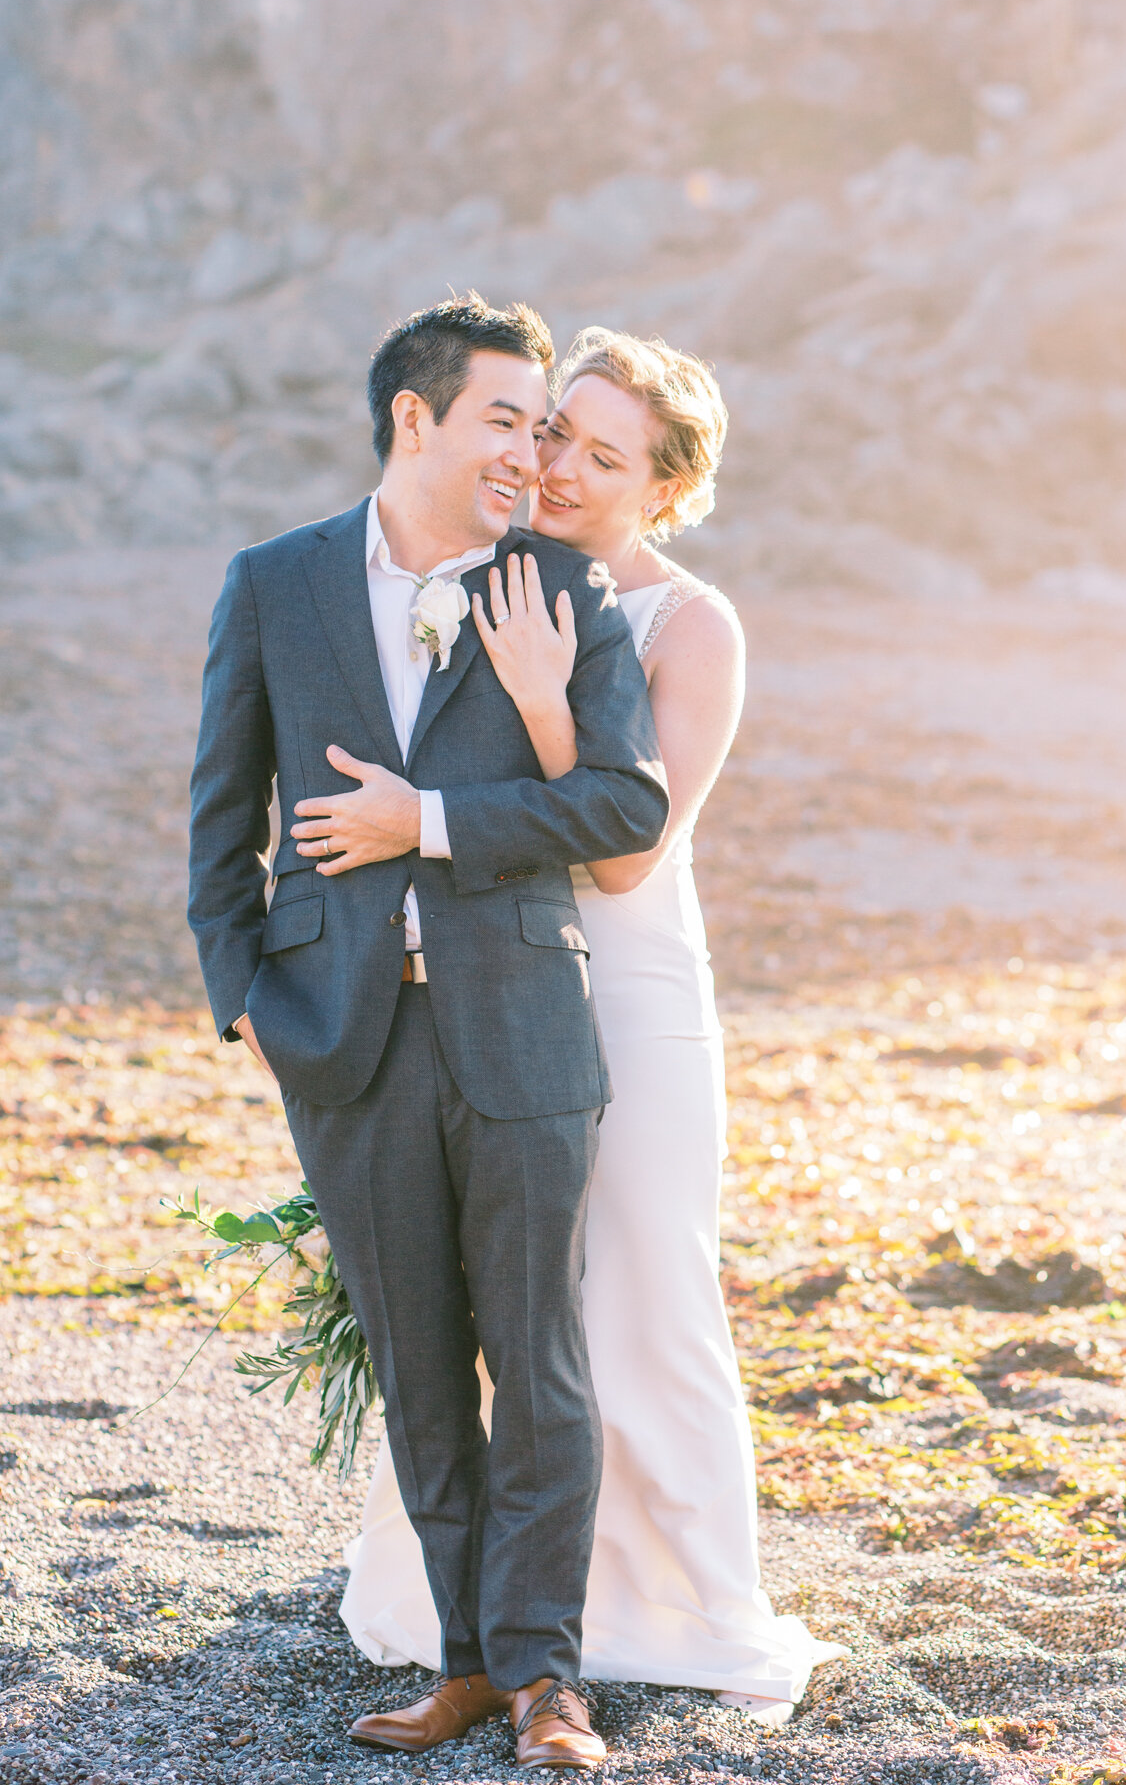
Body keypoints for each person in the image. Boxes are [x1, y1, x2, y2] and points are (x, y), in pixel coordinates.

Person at [188, 295, 670, 1773]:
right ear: (417, 419)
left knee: (537, 1362)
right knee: (415, 1359)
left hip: (522, 1028)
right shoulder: (274, 585)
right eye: (509, 420)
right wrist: (250, 1006)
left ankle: (546, 1683)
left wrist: (433, 822)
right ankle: (464, 1662)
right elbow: (221, 823)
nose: (536, 452)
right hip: (343, 1044)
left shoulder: (559, 590)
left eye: (546, 425)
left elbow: (625, 807)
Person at [340, 327, 842, 1726]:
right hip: (482, 986)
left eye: (600, 455)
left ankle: (666, 1605)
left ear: (662, 490)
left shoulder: (693, 625)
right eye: (554, 430)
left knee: (639, 1288)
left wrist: (545, 695)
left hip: (623, 986)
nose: (555, 466)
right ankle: (478, 1612)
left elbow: (626, 855)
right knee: (484, 1295)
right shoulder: (466, 581)